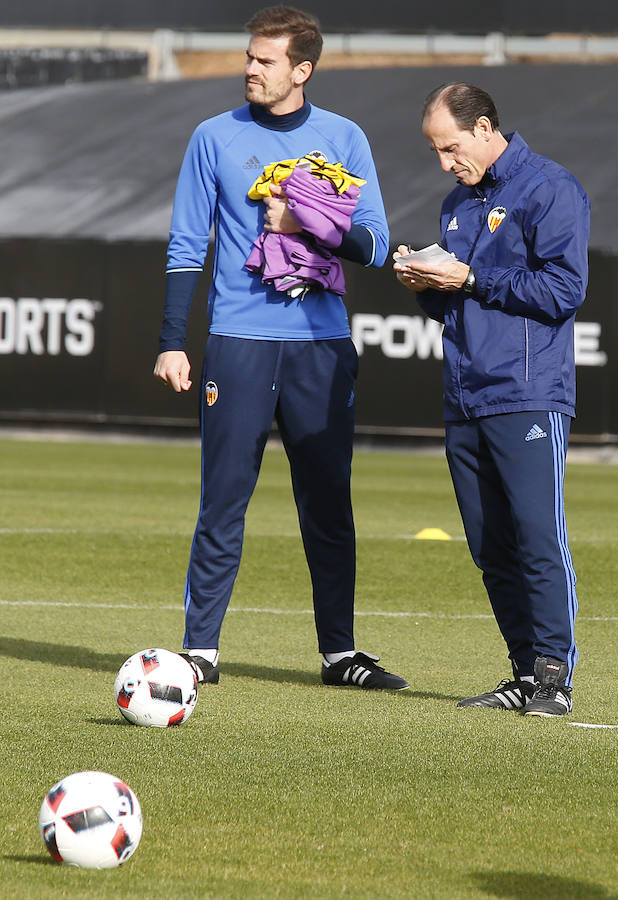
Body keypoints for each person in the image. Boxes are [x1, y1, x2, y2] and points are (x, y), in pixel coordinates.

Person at [153, 5, 408, 692]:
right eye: (249, 58)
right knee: (223, 500)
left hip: (320, 346)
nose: (250, 70)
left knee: (328, 503)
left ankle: (340, 655)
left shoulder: (344, 138)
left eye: (265, 61)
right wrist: (173, 341)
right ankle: (200, 649)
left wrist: (307, 219)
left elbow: (378, 245)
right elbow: (186, 244)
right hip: (238, 341)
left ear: (302, 70)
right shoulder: (212, 137)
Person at [394, 83, 589, 716]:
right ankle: (523, 675)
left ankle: (554, 680)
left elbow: (563, 290)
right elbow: (458, 305)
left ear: (483, 128)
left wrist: (471, 276)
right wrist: (426, 282)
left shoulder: (550, 187)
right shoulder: (458, 204)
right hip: (465, 392)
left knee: (537, 537)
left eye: (449, 148)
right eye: (435, 152)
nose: (445, 163)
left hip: (528, 392)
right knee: (489, 546)